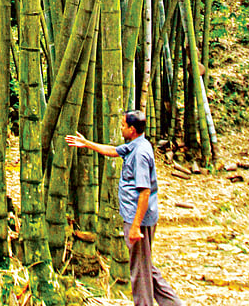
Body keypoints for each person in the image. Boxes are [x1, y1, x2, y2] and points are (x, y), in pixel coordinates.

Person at [66, 110, 184, 306]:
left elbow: (145, 191)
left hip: (139, 219)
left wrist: (136, 226)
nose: (120, 128)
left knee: (139, 270)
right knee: (145, 265)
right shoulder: (135, 145)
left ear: (132, 129)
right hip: (137, 217)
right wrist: (86, 143)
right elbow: (113, 151)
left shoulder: (140, 153)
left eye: (123, 125)